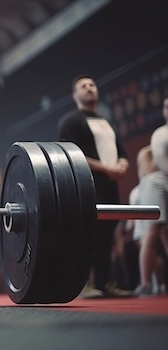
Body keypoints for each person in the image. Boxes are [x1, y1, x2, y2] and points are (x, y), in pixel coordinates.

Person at [58, 74, 133, 298]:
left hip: (110, 185)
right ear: (75, 95)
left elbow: (122, 152)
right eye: (84, 86)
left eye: (92, 85)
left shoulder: (107, 122)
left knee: (107, 235)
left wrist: (121, 164)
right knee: (87, 235)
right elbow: (71, 153)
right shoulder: (70, 121)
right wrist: (106, 168)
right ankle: (83, 285)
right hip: (86, 185)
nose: (90, 88)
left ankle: (104, 282)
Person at [133, 94, 168, 296]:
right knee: (153, 230)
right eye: (165, 106)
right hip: (155, 182)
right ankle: (146, 283)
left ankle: (159, 284)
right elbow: (163, 164)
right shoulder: (160, 135)